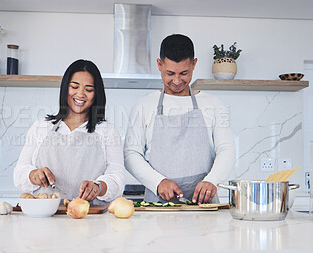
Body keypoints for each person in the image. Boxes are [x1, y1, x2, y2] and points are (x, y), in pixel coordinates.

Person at [124, 34, 236, 204]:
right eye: (170, 73)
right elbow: (131, 154)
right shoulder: (143, 106)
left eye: (184, 73)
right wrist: (158, 182)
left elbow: (226, 148)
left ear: (194, 64)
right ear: (159, 65)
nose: (177, 81)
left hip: (203, 207)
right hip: (157, 205)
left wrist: (212, 180)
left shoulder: (213, 104)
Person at [14, 59, 125, 204]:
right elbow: (19, 173)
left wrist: (98, 187)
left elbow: (117, 178)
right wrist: (33, 175)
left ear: (96, 94)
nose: (80, 94)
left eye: (89, 89)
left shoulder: (107, 131)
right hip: (45, 221)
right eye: (74, 86)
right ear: (65, 88)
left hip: (90, 221)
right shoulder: (41, 127)